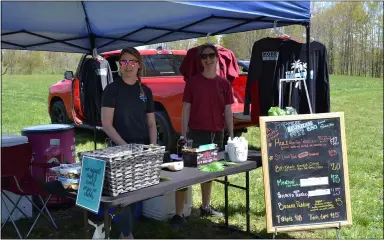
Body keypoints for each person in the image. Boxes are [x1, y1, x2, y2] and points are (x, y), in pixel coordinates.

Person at [170, 43, 234, 229]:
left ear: (217, 57)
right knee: (186, 174)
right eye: (204, 56)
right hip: (196, 135)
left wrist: (231, 135)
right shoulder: (193, 82)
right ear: (200, 60)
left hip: (217, 135)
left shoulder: (224, 84)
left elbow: (228, 111)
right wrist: (183, 134)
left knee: (210, 170)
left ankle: (205, 206)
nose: (208, 59)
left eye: (211, 55)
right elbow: (186, 109)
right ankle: (178, 214)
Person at [101, 47, 157, 239]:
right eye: (123, 62)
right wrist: (125, 147)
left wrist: (153, 145)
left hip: (141, 148)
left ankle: (125, 232)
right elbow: (106, 124)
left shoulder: (146, 92)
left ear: (138, 65)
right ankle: (126, 234)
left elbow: (151, 123)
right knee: (122, 196)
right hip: (119, 149)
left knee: (134, 195)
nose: (127, 66)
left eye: (132, 62)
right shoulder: (112, 89)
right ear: (119, 65)